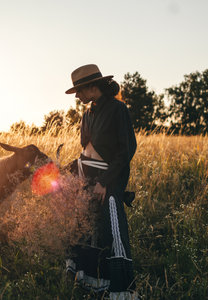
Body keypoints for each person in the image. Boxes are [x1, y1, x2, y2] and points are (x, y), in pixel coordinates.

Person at [64, 64, 138, 299]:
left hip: (108, 179)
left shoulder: (118, 109)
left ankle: (119, 291)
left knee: (111, 232)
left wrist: (105, 181)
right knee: (87, 230)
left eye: (79, 90)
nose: (77, 96)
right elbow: (86, 150)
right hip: (86, 177)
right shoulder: (87, 114)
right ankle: (91, 284)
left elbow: (126, 150)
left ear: (92, 87)